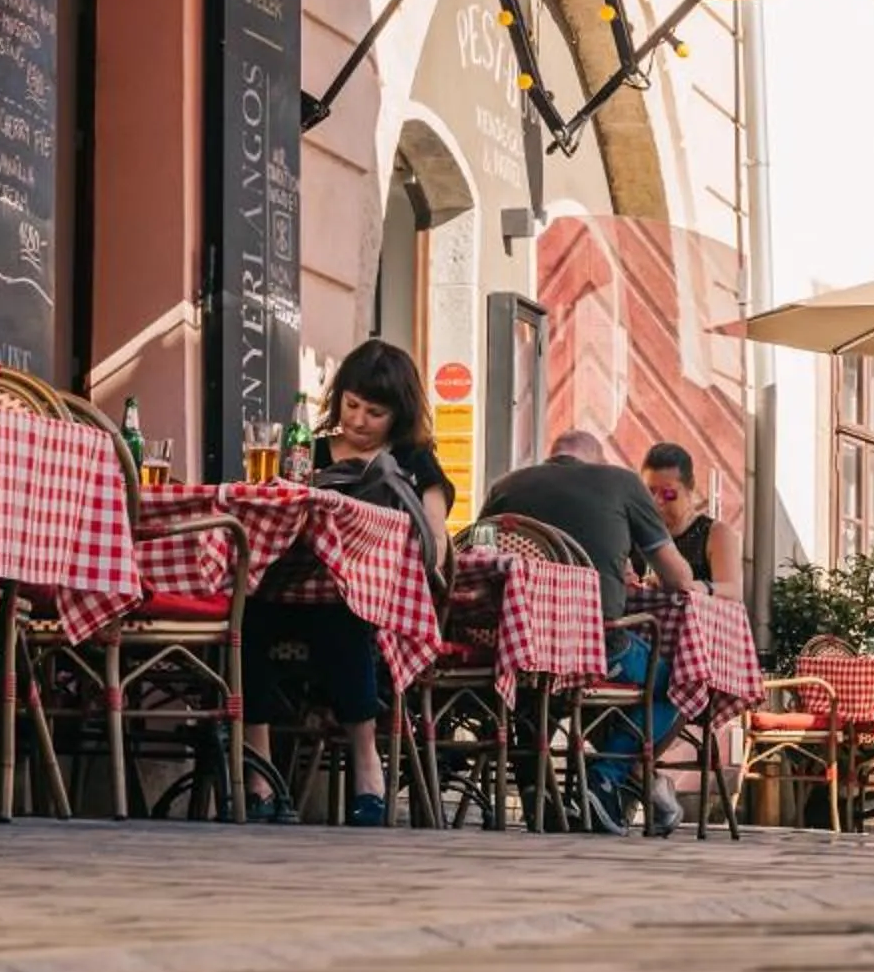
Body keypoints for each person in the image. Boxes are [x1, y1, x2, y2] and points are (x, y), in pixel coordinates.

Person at [244, 340, 453, 827]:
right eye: (351, 405)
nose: (358, 421)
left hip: (370, 602)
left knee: (345, 618)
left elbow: (434, 537)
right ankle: (258, 771)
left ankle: (367, 767)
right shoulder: (306, 452)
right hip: (288, 586)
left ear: (398, 415)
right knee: (245, 617)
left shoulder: (414, 461)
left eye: (374, 412)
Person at [483, 428, 696, 834]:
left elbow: (474, 554)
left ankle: (536, 787)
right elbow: (679, 578)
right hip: (597, 647)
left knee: (537, 685)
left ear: (552, 457)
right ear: (596, 460)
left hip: (517, 647)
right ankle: (603, 780)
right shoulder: (620, 482)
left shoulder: (505, 487)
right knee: (676, 685)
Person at [637, 442, 740, 597]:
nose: (657, 501)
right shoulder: (637, 532)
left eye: (668, 494)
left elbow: (733, 590)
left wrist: (696, 587)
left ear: (689, 488)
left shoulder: (715, 533)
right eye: (649, 492)